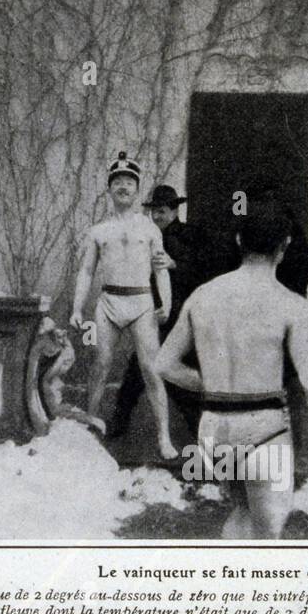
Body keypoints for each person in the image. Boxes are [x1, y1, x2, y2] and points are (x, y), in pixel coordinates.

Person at [156, 208, 308, 539]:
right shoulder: (292, 305)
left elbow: (163, 364)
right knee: (267, 537)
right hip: (263, 430)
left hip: (213, 431)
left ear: (239, 241)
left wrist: (208, 384)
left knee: (242, 511)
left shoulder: (202, 295)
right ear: (284, 248)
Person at [70, 152, 176, 457]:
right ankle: (90, 427)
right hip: (109, 302)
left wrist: (165, 303)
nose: (123, 186)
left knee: (151, 369)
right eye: (117, 181)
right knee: (101, 364)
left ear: (137, 188)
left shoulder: (150, 229)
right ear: (109, 189)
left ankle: (164, 438)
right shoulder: (99, 231)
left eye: (129, 181)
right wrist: (77, 309)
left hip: (142, 302)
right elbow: (86, 271)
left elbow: (160, 270)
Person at [114, 185, 212, 440]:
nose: (156, 217)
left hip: (180, 320)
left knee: (178, 383)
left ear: (174, 210)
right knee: (136, 375)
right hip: (151, 317)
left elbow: (205, 274)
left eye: (161, 212)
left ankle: (202, 438)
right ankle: (116, 430)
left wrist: (174, 264)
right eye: (153, 213)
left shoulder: (191, 235)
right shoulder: (147, 236)